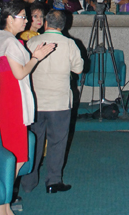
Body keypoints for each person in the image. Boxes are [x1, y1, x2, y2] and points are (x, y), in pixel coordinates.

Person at [0, 1, 55, 215]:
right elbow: (19, 73)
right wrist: (36, 57)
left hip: (10, 100)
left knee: (16, 156)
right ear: (9, 18)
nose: (26, 20)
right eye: (22, 16)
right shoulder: (9, 41)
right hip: (12, 103)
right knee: (15, 157)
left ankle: (5, 204)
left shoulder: (4, 39)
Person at [22, 10, 83, 194]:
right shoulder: (69, 44)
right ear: (63, 26)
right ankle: (53, 181)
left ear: (46, 24)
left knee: (34, 142)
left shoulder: (32, 42)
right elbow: (78, 69)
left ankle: (28, 182)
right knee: (57, 143)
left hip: (35, 102)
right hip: (59, 102)